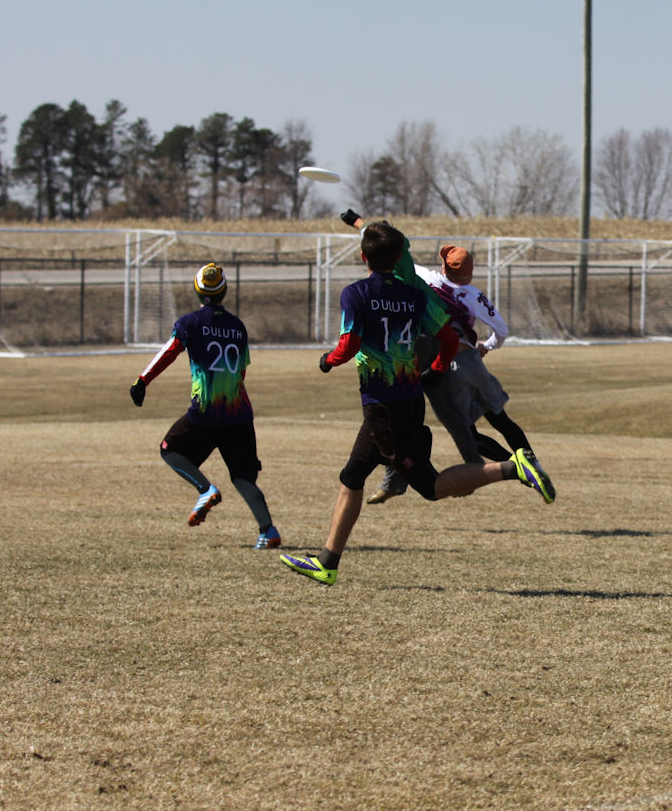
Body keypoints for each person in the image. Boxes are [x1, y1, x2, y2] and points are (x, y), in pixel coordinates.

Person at [280, 220, 554, 586]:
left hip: (383, 405)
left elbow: (349, 344)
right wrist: (436, 370)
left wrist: (327, 361)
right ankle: (327, 562)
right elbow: (448, 339)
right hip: (409, 397)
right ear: (398, 258)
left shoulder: (355, 293)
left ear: (363, 257)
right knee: (352, 477)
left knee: (428, 485)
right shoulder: (414, 295)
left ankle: (512, 467)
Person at [338, 211, 539, 505]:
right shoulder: (474, 295)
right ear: (470, 272)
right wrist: (487, 346)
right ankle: (527, 463)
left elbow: (381, 245)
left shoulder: (424, 276)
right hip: (468, 359)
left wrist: (358, 223)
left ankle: (495, 471)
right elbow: (501, 330)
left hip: (434, 357)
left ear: (443, 266)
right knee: (497, 419)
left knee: (431, 421)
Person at [128, 262, 282, 551]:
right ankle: (268, 530)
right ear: (224, 291)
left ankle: (205, 489)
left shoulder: (190, 323)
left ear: (197, 290)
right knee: (243, 476)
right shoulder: (238, 327)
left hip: (206, 412)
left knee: (169, 449)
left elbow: (170, 351)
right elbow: (241, 372)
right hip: (239, 413)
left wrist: (142, 380)